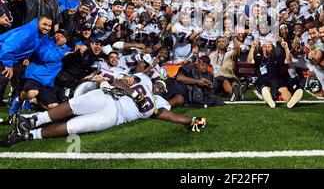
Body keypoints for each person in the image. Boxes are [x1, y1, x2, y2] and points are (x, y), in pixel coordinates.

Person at [3, 73, 207, 147]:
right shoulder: (143, 80)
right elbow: (119, 81)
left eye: (162, 88)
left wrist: (191, 121)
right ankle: (32, 120)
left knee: (73, 127)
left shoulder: (160, 104)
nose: (159, 88)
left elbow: (169, 115)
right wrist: (136, 96)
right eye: (159, 85)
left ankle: (29, 135)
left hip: (114, 116)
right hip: (110, 97)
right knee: (73, 105)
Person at [12, 29, 71, 113]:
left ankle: (34, 102)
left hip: (47, 83)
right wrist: (62, 55)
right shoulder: (45, 42)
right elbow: (43, 56)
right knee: (32, 92)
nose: (58, 37)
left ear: (66, 40)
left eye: (62, 36)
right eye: (57, 34)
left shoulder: (67, 50)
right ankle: (19, 98)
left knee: (54, 107)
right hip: (34, 76)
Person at [0, 16, 52, 106]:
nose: (47, 28)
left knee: (24, 73)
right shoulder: (27, 31)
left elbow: (36, 49)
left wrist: (28, 58)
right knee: (4, 75)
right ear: (38, 23)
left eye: (49, 26)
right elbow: (8, 46)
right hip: (3, 53)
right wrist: (8, 64)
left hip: (15, 57)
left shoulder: (43, 35)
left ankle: (16, 99)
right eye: (44, 24)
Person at [247, 39, 303, 109]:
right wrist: (252, 47)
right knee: (265, 89)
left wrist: (286, 48)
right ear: (262, 48)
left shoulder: (277, 56)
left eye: (269, 47)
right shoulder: (259, 57)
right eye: (265, 47)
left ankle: (290, 101)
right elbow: (249, 61)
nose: (266, 49)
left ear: (272, 48)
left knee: (284, 90)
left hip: (277, 79)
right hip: (264, 79)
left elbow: (288, 61)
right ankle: (269, 100)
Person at [209, 36, 244, 101]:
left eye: (223, 41)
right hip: (217, 78)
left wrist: (234, 38)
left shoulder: (230, 53)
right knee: (224, 81)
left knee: (233, 81)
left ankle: (236, 91)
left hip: (230, 77)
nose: (221, 43)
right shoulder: (212, 55)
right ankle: (235, 93)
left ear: (226, 43)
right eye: (219, 42)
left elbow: (237, 49)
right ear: (216, 44)